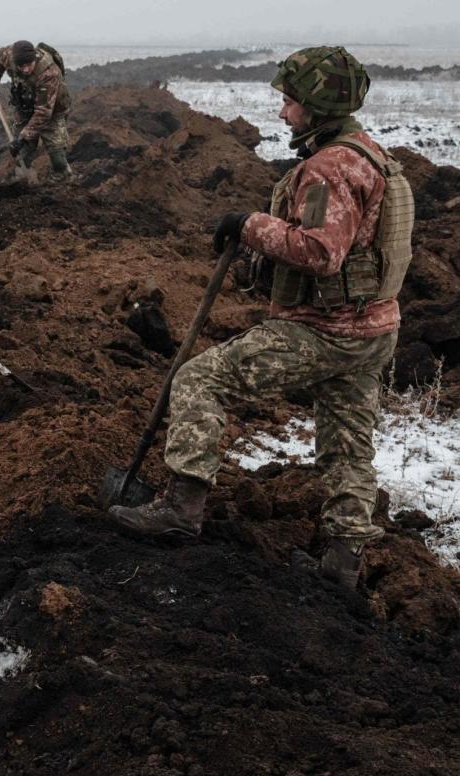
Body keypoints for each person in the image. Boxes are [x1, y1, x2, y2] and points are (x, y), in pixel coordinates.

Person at [107, 46, 413, 592]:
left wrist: (249, 225)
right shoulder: (368, 152)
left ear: (317, 108)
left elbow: (322, 253)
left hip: (324, 331)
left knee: (199, 379)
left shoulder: (329, 169)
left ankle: (181, 507)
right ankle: (342, 563)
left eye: (290, 103)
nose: (282, 113)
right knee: (349, 445)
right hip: (372, 330)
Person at [0, 40, 74, 182]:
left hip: (51, 110)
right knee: (22, 153)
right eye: (22, 66)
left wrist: (23, 137)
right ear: (15, 63)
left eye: (29, 65)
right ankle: (22, 182)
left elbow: (44, 113)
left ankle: (61, 184)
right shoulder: (9, 56)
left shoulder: (48, 73)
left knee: (58, 157)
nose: (26, 69)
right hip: (25, 106)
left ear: (34, 59)